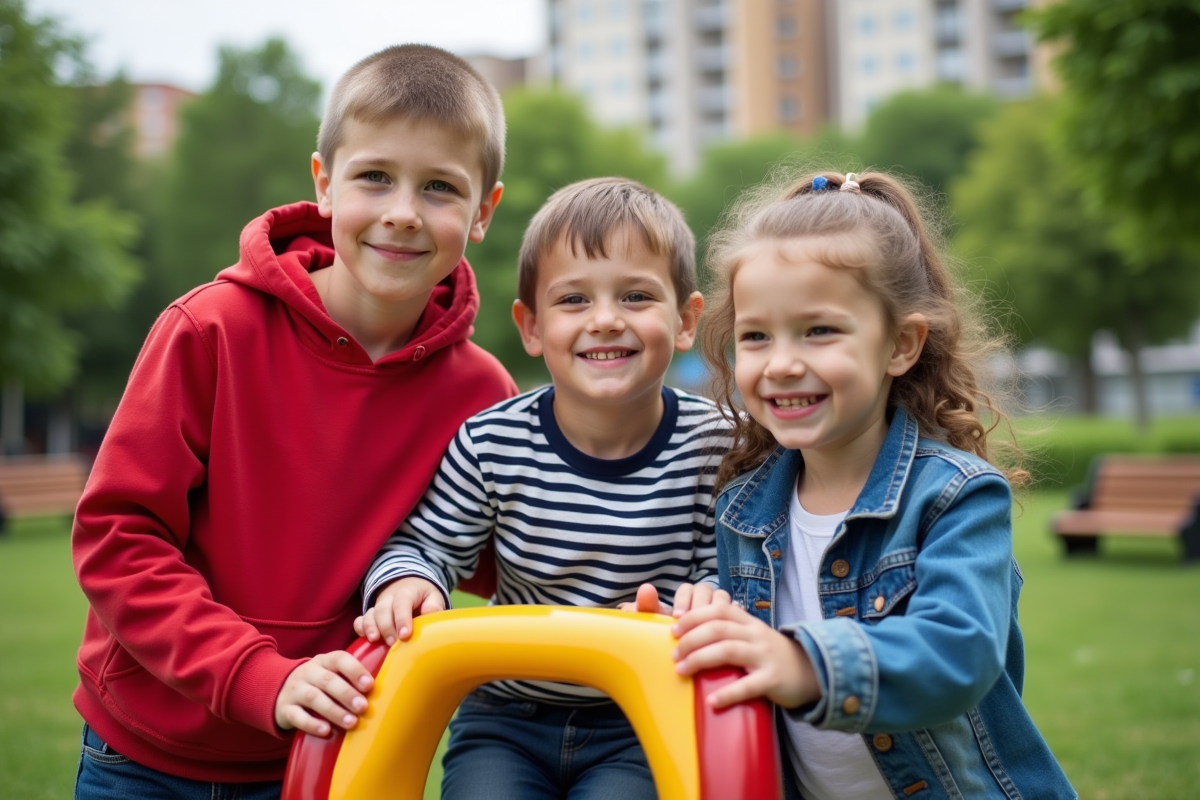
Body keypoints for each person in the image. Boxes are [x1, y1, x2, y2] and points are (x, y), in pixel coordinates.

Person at [71, 44, 515, 799]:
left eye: (440, 187)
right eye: (374, 176)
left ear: (483, 212)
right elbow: (119, 538)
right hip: (146, 755)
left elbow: (510, 557)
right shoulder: (209, 329)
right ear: (324, 183)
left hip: (335, 754)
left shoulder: (481, 394)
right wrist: (253, 675)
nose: (403, 213)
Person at [666, 171, 1077, 799]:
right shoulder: (744, 508)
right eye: (755, 336)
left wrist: (804, 663)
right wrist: (698, 610)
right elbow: (757, 631)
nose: (780, 363)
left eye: (819, 330)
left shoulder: (956, 497)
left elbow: (957, 650)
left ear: (901, 345)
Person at [355, 177, 730, 800]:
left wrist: (706, 601)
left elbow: (734, 574)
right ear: (531, 327)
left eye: (636, 296)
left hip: (643, 713)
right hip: (508, 719)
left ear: (685, 320)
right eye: (574, 301)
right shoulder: (492, 441)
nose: (605, 320)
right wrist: (409, 580)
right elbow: (426, 545)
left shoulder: (715, 448)